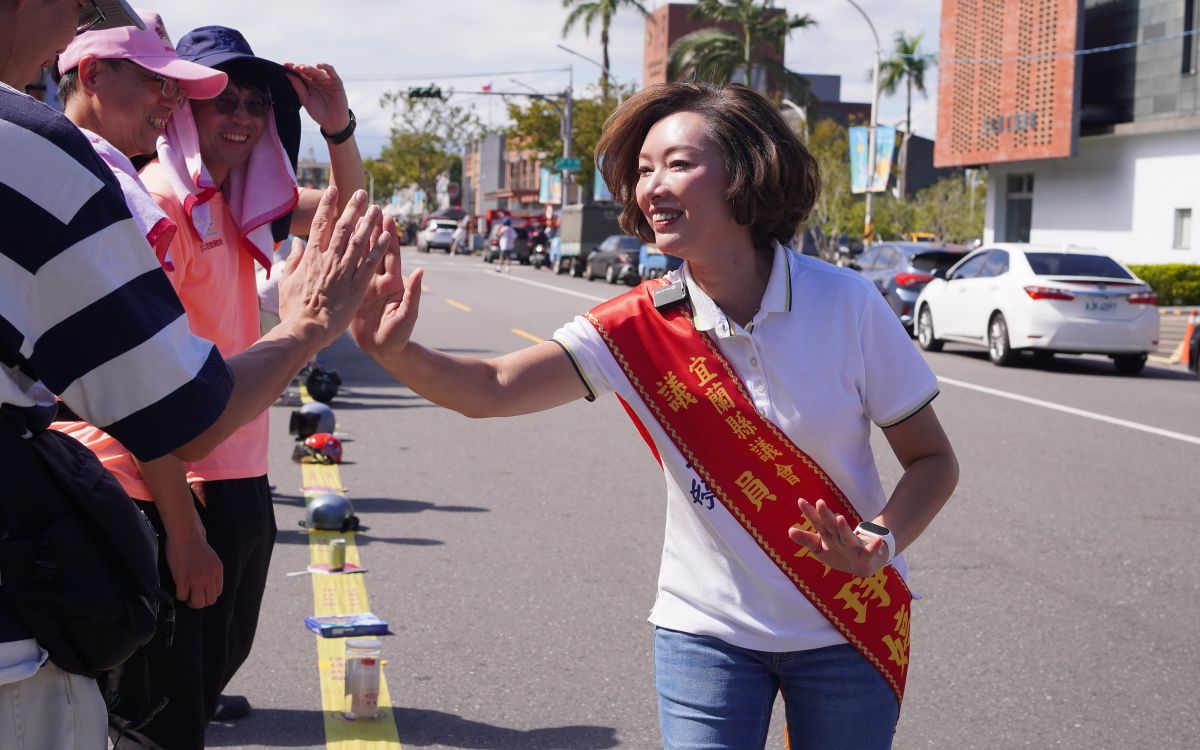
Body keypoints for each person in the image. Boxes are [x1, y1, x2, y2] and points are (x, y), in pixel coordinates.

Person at [351, 82, 958, 750]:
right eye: (643, 170)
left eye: (678, 164)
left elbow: (932, 460)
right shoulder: (635, 325)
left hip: (847, 626)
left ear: (748, 173)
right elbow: (491, 388)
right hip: (706, 633)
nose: (652, 187)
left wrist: (880, 541)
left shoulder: (845, 303)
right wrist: (398, 351)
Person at [0, 2, 391, 747]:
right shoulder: (139, 201)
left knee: (201, 677)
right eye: (201, 96)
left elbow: (349, 224)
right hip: (167, 478)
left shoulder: (233, 209)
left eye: (255, 104)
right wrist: (182, 531)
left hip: (229, 465)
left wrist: (339, 130)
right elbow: (146, 399)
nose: (232, 116)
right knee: (158, 710)